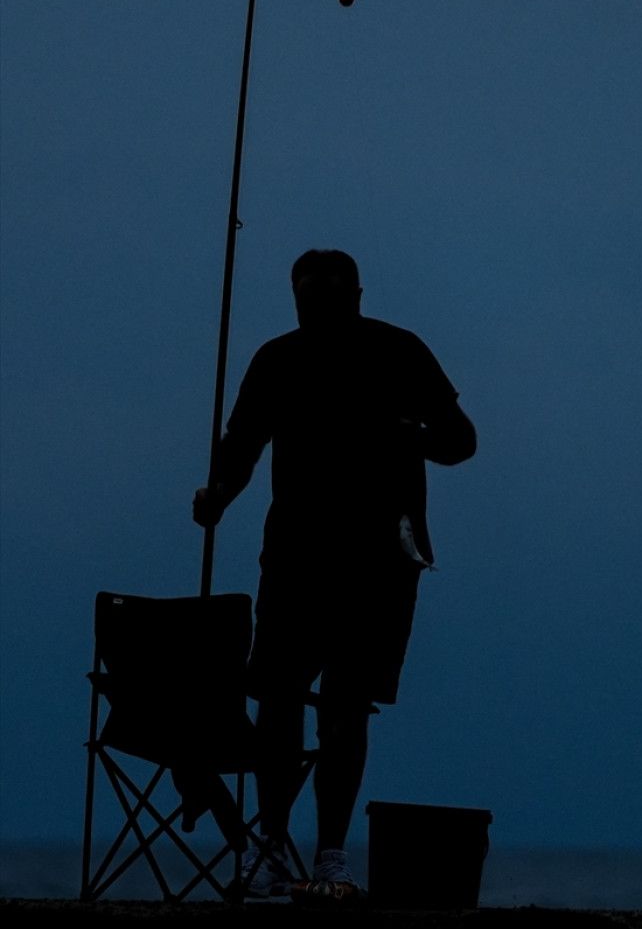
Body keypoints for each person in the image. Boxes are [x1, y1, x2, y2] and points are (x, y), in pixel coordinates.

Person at [193, 249, 476, 901]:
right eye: (307, 297)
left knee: (347, 708)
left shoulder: (402, 351)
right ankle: (269, 847)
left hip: (382, 560)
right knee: (278, 698)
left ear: (357, 295)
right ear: (294, 298)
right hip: (294, 555)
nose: (318, 307)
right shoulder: (276, 359)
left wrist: (412, 432)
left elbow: (462, 439)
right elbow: (241, 443)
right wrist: (218, 494)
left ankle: (329, 857)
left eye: (331, 296)